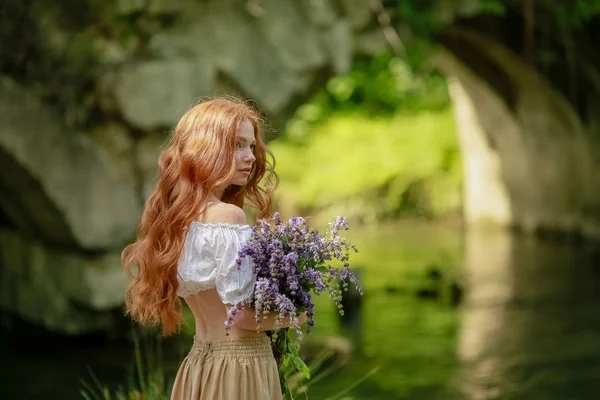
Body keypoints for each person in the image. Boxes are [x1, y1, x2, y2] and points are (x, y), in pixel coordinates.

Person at [121, 98, 304, 399]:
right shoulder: (228, 216)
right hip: (241, 366)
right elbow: (242, 317)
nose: (251, 158)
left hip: (199, 365)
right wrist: (297, 315)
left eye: (251, 147)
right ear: (207, 148)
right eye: (237, 145)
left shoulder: (176, 223)